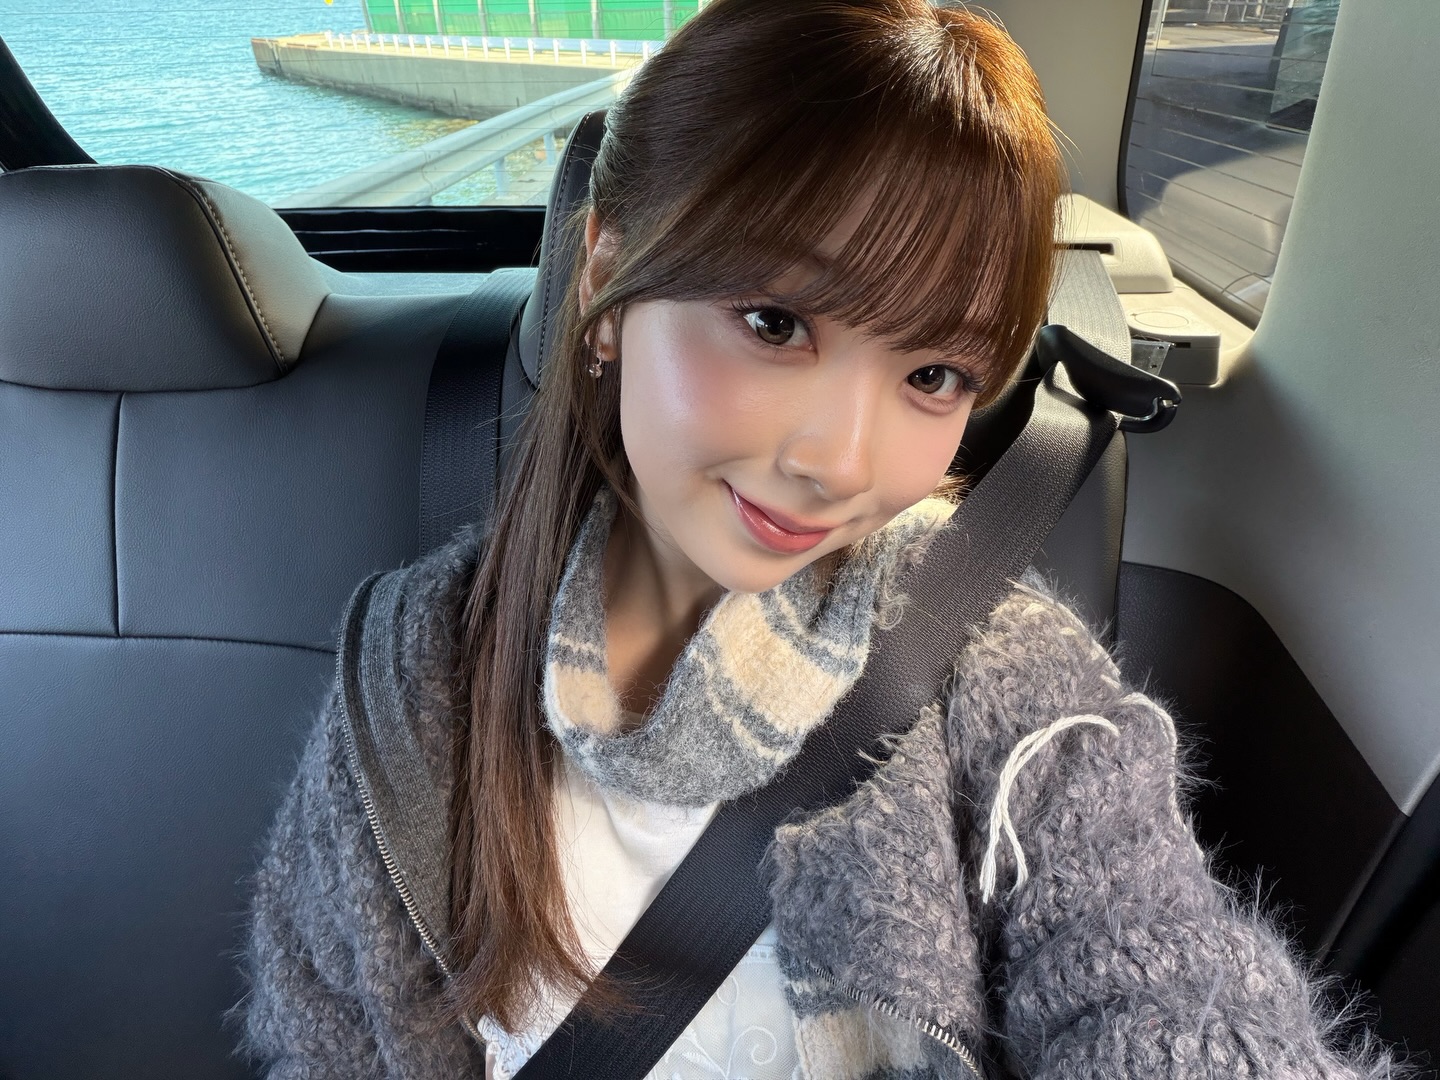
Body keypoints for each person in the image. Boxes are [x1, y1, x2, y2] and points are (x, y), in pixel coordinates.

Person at [238, 1, 1399, 1077]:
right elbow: (325, 1048)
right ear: (606, 276)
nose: (841, 462)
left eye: (933, 375)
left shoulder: (1000, 678)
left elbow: (1159, 985)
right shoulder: (415, 677)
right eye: (774, 321)